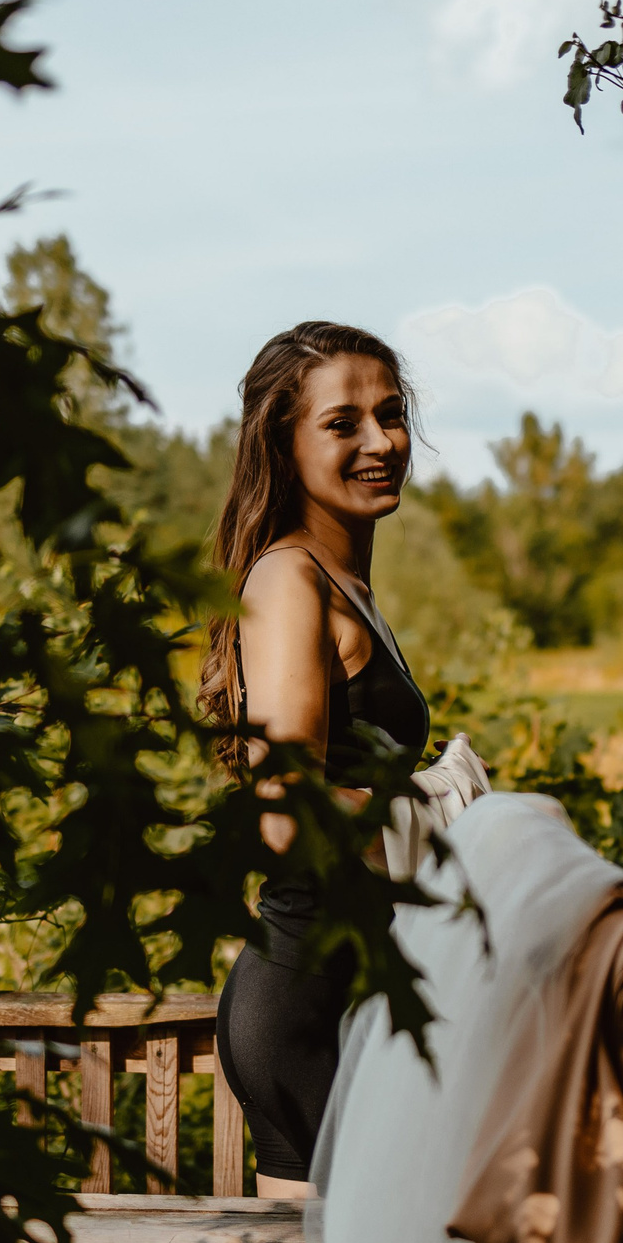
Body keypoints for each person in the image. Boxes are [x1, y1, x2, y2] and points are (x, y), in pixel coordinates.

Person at [200, 322, 432, 1199]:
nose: (381, 442)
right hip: (308, 1000)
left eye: (393, 415)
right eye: (344, 424)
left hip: (357, 993)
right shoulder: (287, 581)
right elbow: (282, 808)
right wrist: (454, 830)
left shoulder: (345, 586)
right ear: (282, 442)